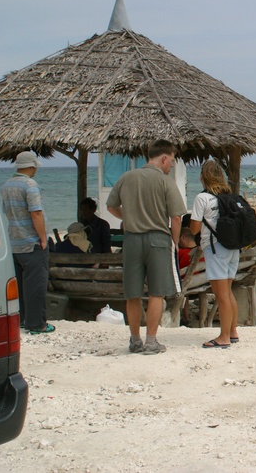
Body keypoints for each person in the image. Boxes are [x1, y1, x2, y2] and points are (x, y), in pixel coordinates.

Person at [106, 139, 187, 355]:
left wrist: (128, 217)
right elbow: (176, 217)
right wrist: (175, 242)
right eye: (171, 161)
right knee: (156, 293)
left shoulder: (127, 177)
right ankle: (151, 341)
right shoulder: (165, 181)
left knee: (132, 294)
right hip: (158, 240)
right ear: (164, 158)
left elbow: (111, 206)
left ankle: (135, 340)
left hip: (132, 239)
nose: (171, 166)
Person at [1, 151, 54, 334]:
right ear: (32, 166)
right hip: (31, 242)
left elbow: (6, 212)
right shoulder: (30, 185)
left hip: (14, 241)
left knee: (20, 285)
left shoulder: (7, 185)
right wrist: (43, 239)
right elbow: (36, 213)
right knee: (36, 285)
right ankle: (37, 324)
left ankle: (21, 319)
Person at [189, 159, 240, 348]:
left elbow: (194, 229)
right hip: (233, 247)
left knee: (221, 295)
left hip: (215, 248)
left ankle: (224, 337)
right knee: (228, 291)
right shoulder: (229, 196)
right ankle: (232, 332)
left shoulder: (202, 198)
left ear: (203, 177)